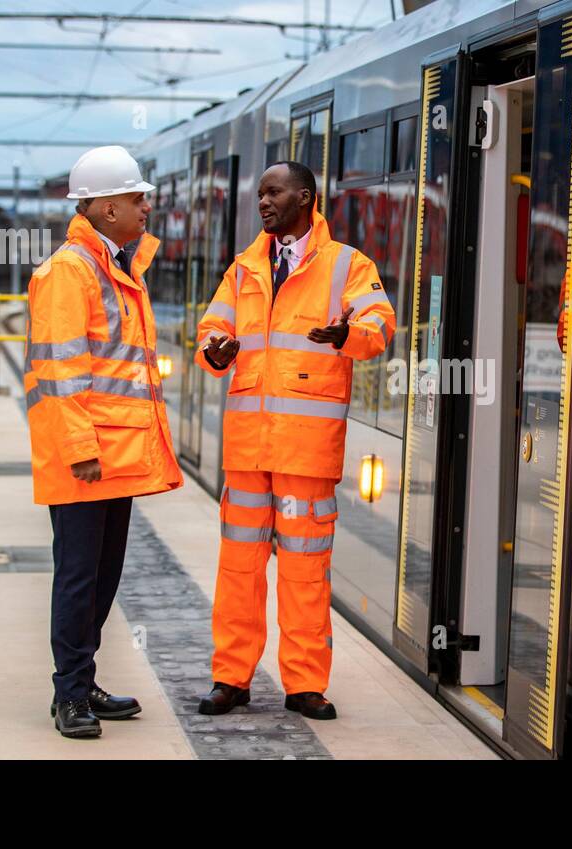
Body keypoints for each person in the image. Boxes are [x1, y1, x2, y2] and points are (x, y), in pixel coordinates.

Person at [193, 161, 396, 720]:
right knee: (239, 567)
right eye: (260, 193)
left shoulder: (348, 265)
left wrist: (348, 335)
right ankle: (230, 679)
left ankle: (305, 685)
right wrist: (215, 349)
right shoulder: (244, 268)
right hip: (248, 450)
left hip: (306, 449)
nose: (263, 201)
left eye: (273, 191)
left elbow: (381, 325)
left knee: (305, 570)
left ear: (305, 197)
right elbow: (212, 327)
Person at [24, 145, 183, 738]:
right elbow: (60, 373)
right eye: (137, 199)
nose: (146, 207)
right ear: (106, 207)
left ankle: (82, 679)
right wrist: (82, 449)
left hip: (115, 453)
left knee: (105, 574)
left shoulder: (117, 267)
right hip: (85, 456)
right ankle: (69, 695)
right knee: (78, 577)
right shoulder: (69, 271)